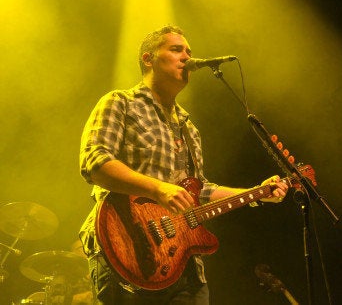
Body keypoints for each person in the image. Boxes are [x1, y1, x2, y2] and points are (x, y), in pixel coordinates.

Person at [78, 25, 289, 304]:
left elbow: (199, 191)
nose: (187, 57)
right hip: (127, 248)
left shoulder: (189, 127)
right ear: (148, 59)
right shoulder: (120, 103)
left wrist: (257, 193)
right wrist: (158, 190)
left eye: (189, 51)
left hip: (184, 265)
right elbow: (94, 162)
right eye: (176, 49)